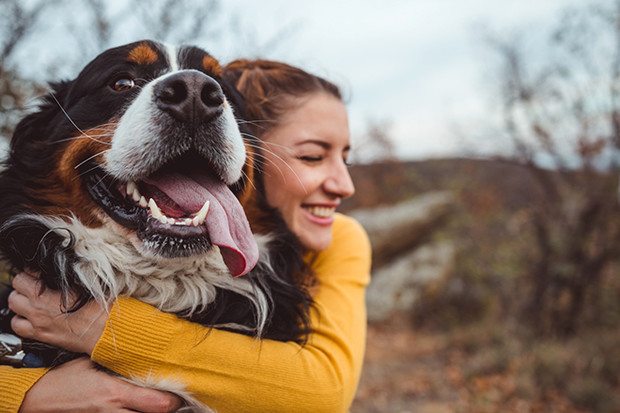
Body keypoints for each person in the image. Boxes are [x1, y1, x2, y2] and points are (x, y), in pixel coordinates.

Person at [0, 59, 371, 413]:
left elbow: (324, 392)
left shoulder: (341, 238)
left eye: (346, 158)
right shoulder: (27, 299)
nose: (345, 186)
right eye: (311, 157)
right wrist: (24, 393)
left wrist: (104, 328)